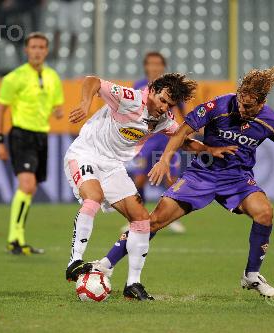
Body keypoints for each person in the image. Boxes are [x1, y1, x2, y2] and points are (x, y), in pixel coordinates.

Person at [93, 67, 274, 298]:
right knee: (154, 221)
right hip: (201, 174)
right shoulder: (218, 106)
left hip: (237, 179)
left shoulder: (270, 121)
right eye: (241, 101)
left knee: (265, 213)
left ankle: (252, 275)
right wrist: (165, 159)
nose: (242, 108)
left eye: (249, 106)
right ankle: (105, 264)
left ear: (261, 103)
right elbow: (183, 130)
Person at [63, 72, 198, 301]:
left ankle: (133, 284)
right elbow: (92, 81)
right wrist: (86, 103)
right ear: (153, 90)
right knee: (93, 197)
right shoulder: (130, 98)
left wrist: (211, 150)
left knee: (142, 219)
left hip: (113, 167)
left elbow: (183, 141)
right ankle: (74, 262)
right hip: (85, 155)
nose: (164, 107)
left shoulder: (163, 119)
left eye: (170, 104)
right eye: (162, 99)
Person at [0, 32, 64, 255]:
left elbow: (57, 105)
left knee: (31, 187)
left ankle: (18, 236)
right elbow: (0, 110)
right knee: (26, 185)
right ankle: (15, 239)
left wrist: (59, 111)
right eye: (33, 47)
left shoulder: (53, 76)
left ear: (46, 50)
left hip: (41, 136)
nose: (37, 51)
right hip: (21, 135)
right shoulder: (14, 77)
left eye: (41, 47)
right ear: (26, 50)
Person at [128, 51, 187, 233]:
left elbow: (183, 113)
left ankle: (169, 218)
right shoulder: (138, 86)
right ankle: (139, 217)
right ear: (146, 66)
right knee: (139, 179)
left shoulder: (172, 88)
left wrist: (190, 131)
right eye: (151, 64)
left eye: (158, 64)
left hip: (167, 139)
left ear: (163, 67)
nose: (154, 67)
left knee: (171, 179)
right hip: (146, 141)